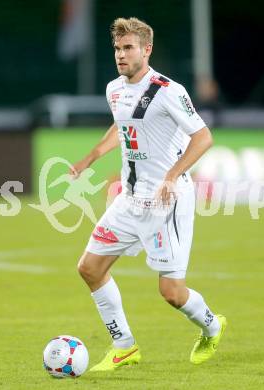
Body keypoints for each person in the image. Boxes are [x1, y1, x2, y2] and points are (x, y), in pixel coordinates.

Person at [70, 17, 227, 372]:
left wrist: (173, 175)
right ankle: (124, 346)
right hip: (129, 199)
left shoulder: (169, 90)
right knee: (89, 268)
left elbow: (203, 137)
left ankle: (212, 326)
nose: (120, 55)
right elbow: (122, 125)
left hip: (165, 202)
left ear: (146, 50)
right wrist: (91, 157)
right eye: (116, 49)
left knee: (171, 293)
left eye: (128, 48)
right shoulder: (114, 89)